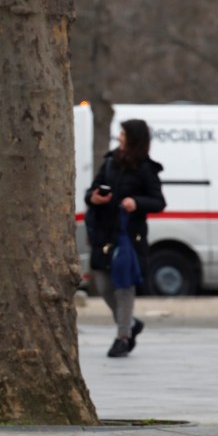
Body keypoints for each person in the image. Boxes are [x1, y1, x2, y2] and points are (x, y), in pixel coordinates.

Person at [85, 119, 166, 358]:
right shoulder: (110, 162)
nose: (119, 136)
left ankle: (123, 337)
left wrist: (136, 203)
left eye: (123, 133)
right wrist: (94, 198)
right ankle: (131, 323)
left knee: (123, 286)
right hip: (103, 234)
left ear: (134, 138)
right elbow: (92, 190)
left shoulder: (146, 168)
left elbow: (159, 202)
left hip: (129, 237)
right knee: (103, 285)